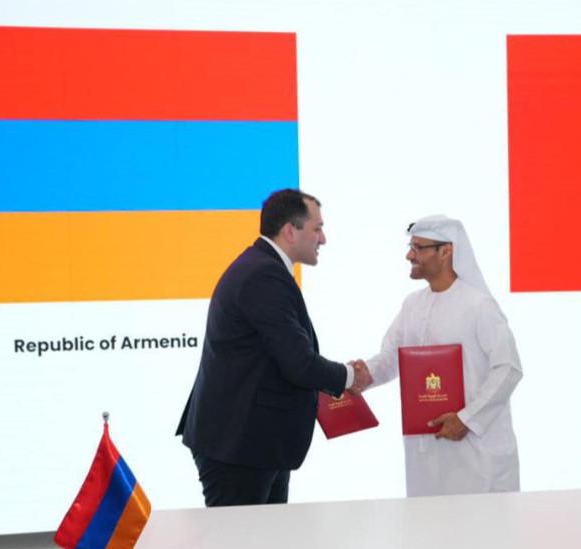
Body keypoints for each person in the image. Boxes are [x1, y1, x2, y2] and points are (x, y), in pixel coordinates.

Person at [176, 188, 372, 506]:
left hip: (256, 443)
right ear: (290, 231)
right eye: (318, 228)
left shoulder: (263, 268)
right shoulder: (263, 274)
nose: (323, 239)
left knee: (264, 538)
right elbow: (299, 363)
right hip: (239, 447)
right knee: (241, 538)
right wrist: (350, 376)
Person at [360, 215, 522, 497]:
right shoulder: (412, 305)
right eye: (411, 247)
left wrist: (467, 419)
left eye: (418, 248)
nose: (410, 255)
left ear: (446, 251)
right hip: (427, 458)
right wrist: (356, 376)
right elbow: (390, 359)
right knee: (428, 524)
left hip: (477, 455)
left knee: (479, 525)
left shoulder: (479, 305)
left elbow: (508, 369)